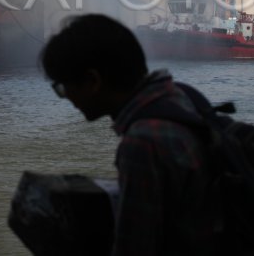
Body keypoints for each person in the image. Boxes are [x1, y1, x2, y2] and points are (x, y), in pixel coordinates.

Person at [40, 14, 214, 256]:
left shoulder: (142, 143)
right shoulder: (186, 98)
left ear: (92, 81)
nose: (65, 97)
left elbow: (134, 245)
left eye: (62, 87)